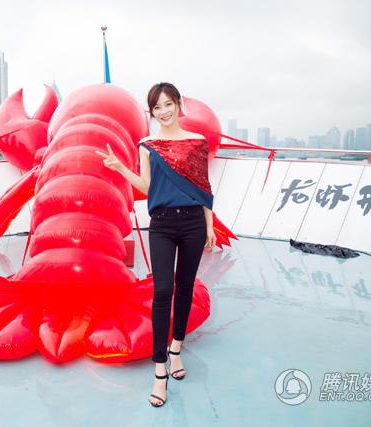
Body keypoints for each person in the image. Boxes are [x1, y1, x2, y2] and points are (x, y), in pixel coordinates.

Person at [96, 82, 216, 408]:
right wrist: (120, 168)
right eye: (156, 107)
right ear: (151, 112)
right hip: (161, 224)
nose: (163, 112)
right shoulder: (147, 145)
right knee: (162, 290)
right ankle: (160, 369)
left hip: (193, 222)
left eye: (167, 104)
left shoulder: (197, 141)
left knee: (185, 286)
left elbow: (203, 186)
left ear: (178, 104)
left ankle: (176, 349)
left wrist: (209, 225)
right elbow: (148, 187)